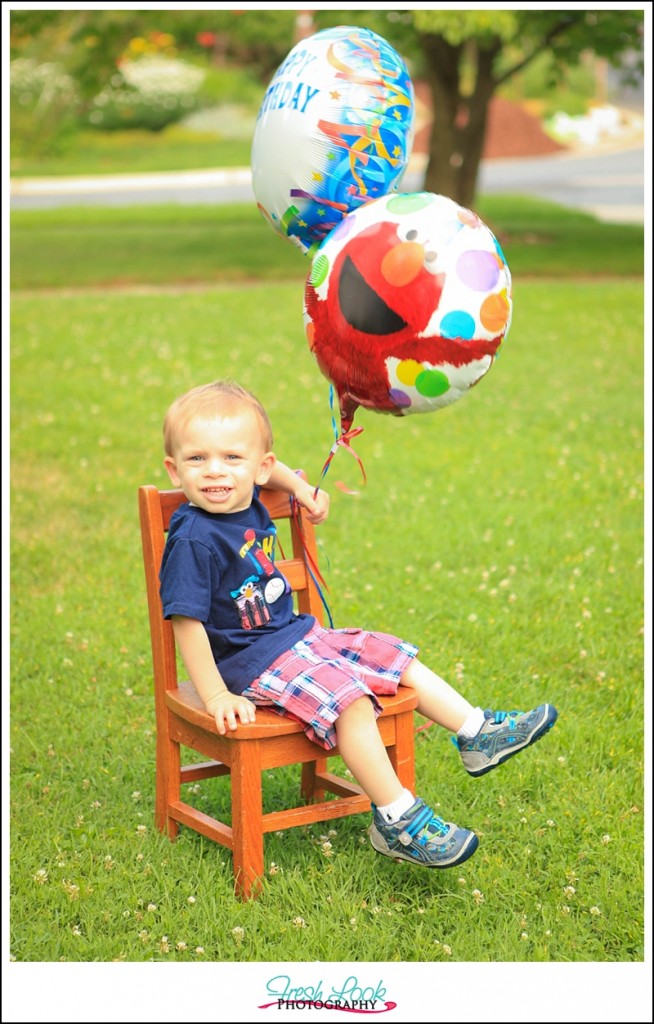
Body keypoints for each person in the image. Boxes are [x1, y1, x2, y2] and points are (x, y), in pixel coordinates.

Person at [159, 379, 558, 869]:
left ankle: (476, 733)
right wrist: (217, 694)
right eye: (197, 460)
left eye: (231, 459)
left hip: (298, 637)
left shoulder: (253, 486)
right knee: (349, 703)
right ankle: (397, 819)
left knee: (391, 655)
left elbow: (271, 465)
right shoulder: (194, 538)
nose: (215, 472)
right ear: (174, 469)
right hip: (250, 664)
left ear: (259, 467)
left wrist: (301, 488)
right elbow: (186, 621)